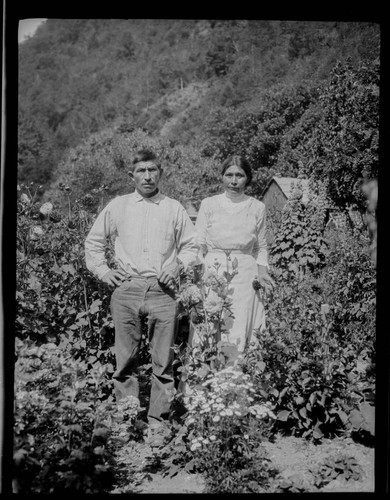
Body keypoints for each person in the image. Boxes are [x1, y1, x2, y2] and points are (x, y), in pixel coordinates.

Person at [85, 149, 198, 445]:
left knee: (163, 361)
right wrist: (103, 272)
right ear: (131, 175)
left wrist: (178, 264)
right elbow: (94, 242)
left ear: (160, 173)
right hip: (127, 289)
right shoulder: (118, 206)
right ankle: (126, 423)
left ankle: (158, 425)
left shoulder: (173, 208)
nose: (147, 176)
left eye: (152, 170)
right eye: (141, 171)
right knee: (126, 361)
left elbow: (192, 246)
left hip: (163, 291)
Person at [195, 154, 275, 354]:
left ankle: (238, 379)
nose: (233, 181)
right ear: (222, 177)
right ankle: (207, 377)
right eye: (229, 175)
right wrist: (196, 277)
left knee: (240, 323)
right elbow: (198, 244)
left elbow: (261, 246)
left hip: (245, 274)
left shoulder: (257, 207)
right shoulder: (209, 204)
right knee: (212, 322)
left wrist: (263, 273)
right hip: (213, 271)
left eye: (239, 175)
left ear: (247, 178)